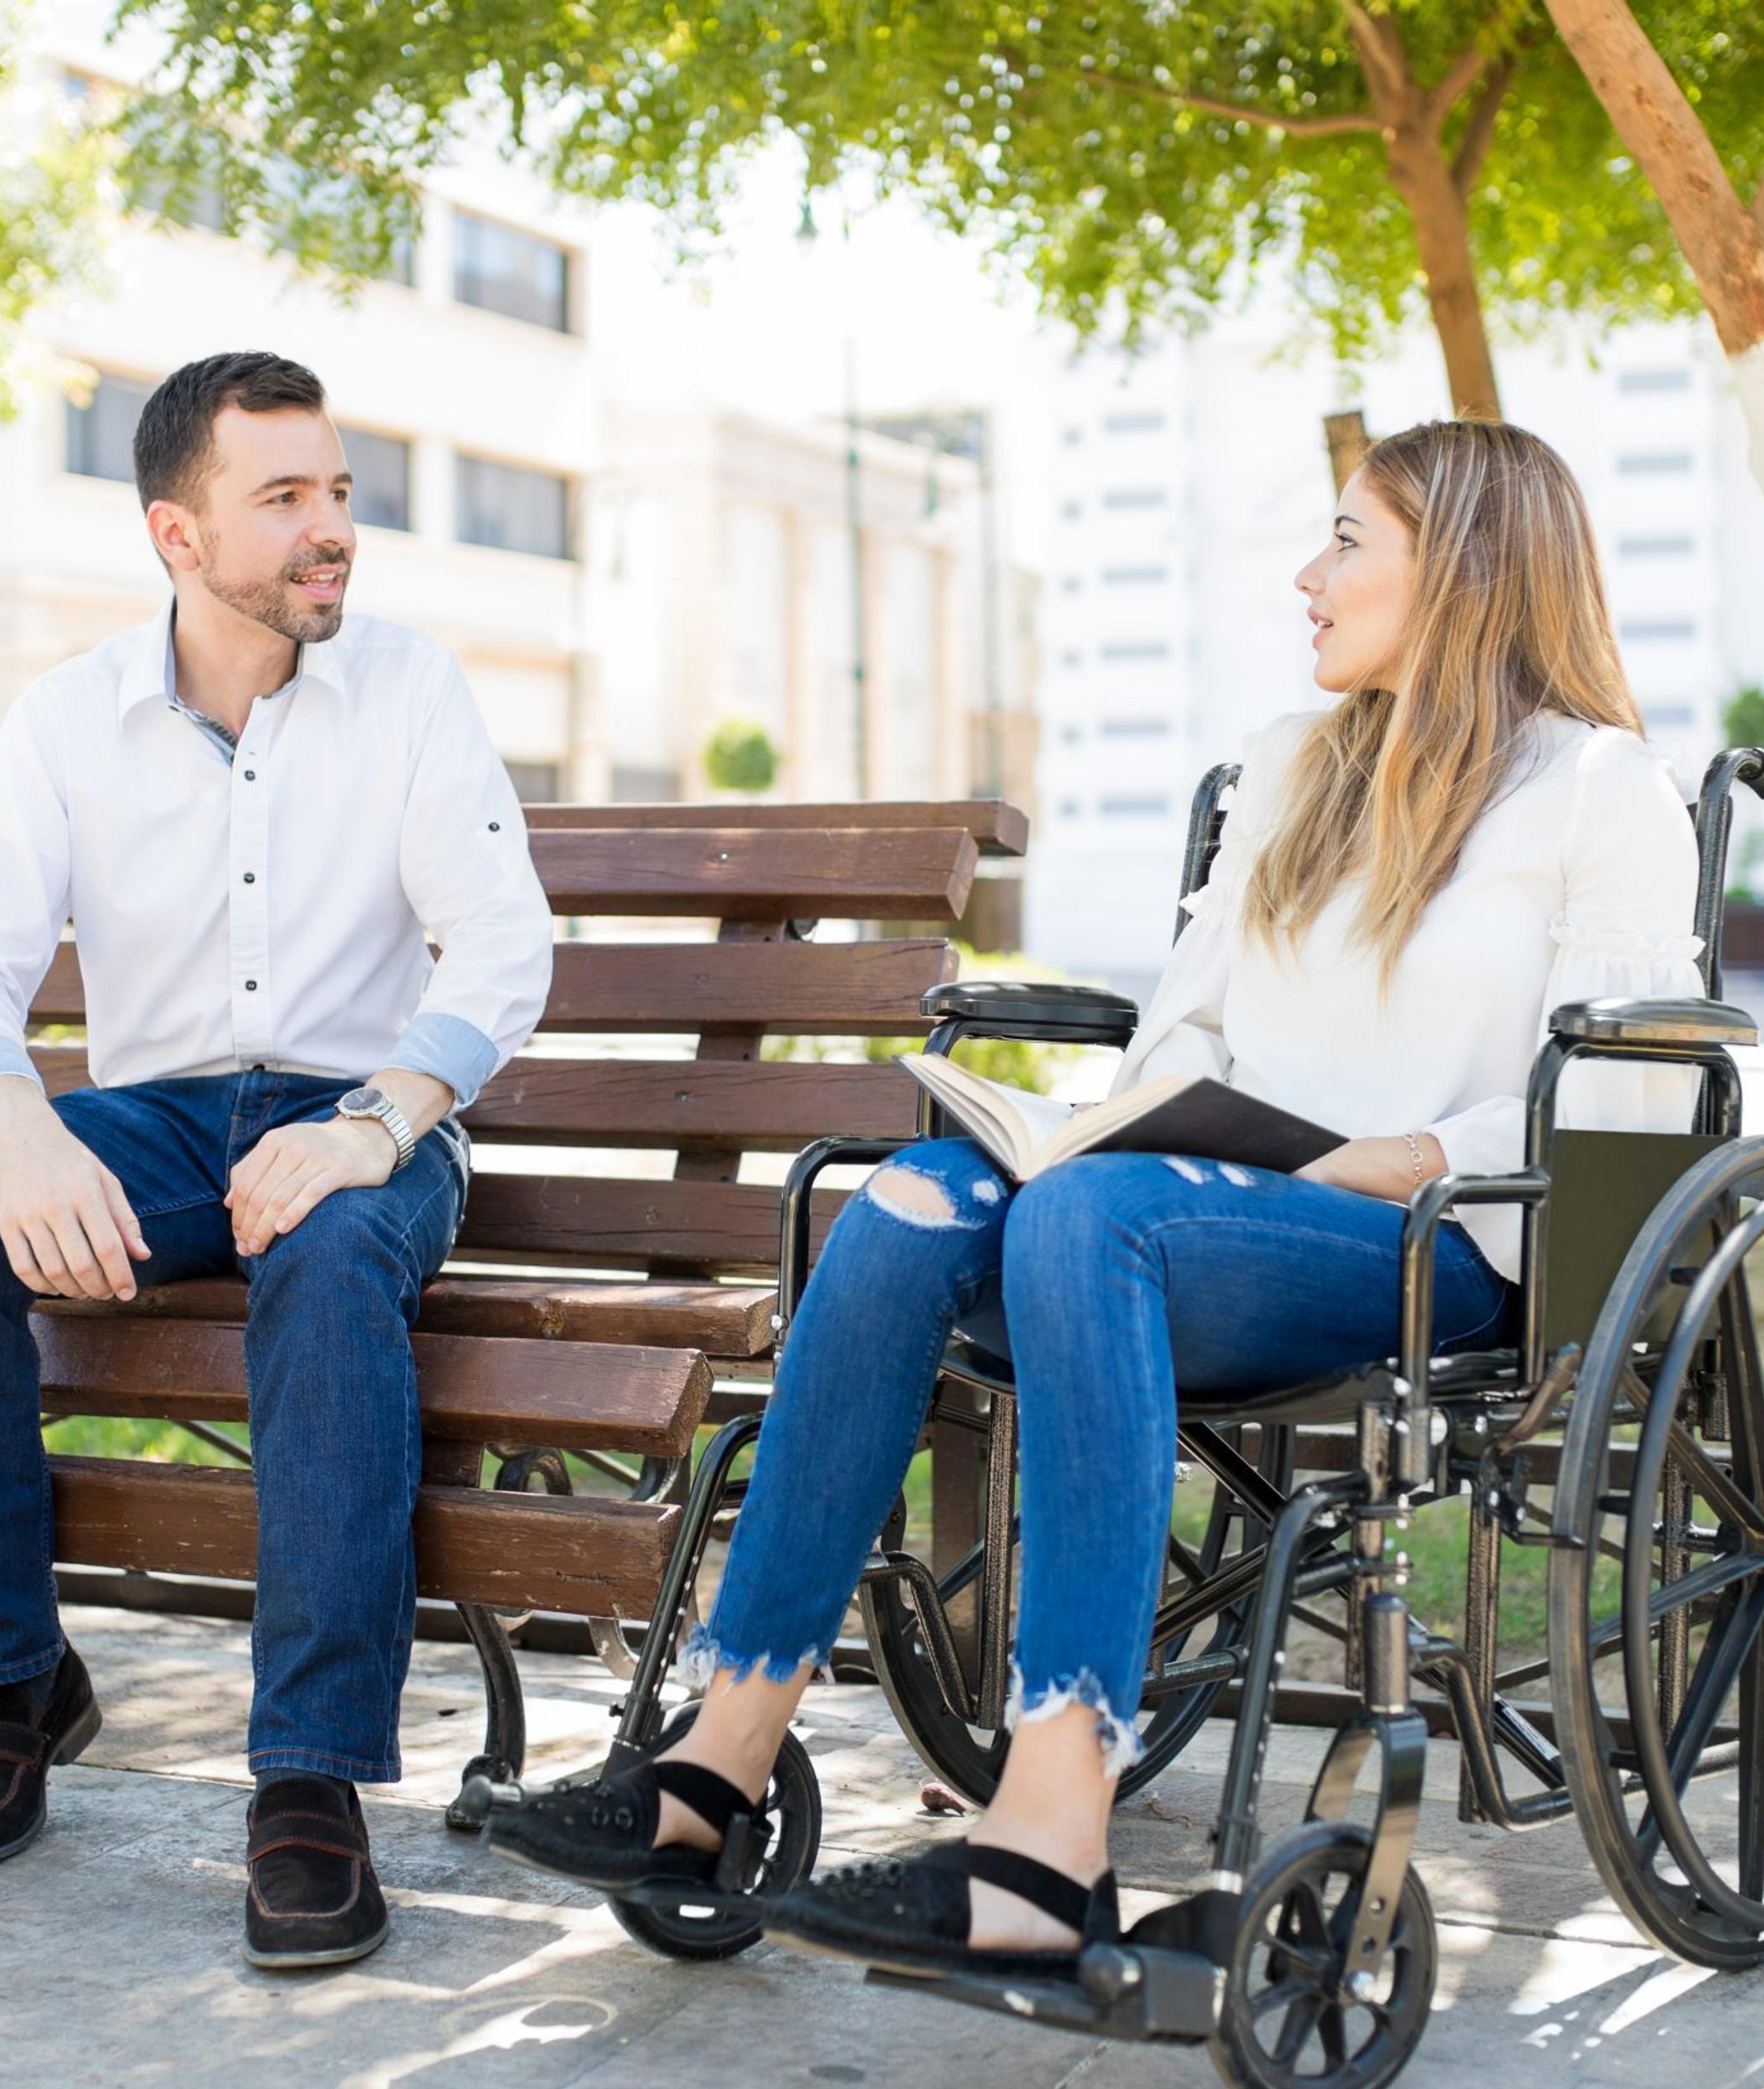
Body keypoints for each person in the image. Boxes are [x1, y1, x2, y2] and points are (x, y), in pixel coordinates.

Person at [490, 417, 1701, 1975]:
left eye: (1348, 542)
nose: (1306, 575)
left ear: (1461, 570)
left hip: (1434, 1242)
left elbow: (1621, 1100)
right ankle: (705, 1771)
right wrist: (1084, 1128)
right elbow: (1186, 1029)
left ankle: (1046, 1840)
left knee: (1087, 1218)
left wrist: (1367, 1160)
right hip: (1194, 1202)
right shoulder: (1291, 767)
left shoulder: (1602, 790)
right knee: (915, 1195)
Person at [0, 351, 552, 1969]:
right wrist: (16, 1124)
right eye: (286, 500)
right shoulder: (70, 717)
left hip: (371, 1117)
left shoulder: (409, 688)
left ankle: (308, 1776)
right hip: (158, 1122)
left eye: (338, 495)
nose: (332, 533)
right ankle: (10, 1676)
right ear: (180, 535)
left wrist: (375, 1121)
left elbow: (498, 955)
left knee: (321, 1257)